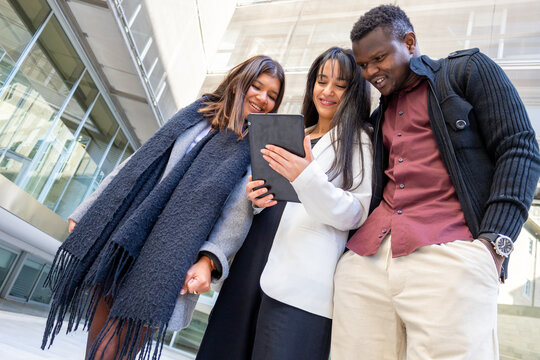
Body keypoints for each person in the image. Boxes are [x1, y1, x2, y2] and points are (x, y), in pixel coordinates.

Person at [41, 55, 285, 360]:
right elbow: (138, 162)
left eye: (272, 95)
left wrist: (209, 261)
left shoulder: (254, 147)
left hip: (171, 258)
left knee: (114, 348)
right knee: (98, 345)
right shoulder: (196, 113)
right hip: (127, 237)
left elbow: (238, 212)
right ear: (240, 82)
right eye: (257, 87)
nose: (262, 98)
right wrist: (89, 210)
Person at [331, 5, 540, 360]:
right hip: (365, 263)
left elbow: (519, 147)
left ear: (409, 43)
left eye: (379, 58)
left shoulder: (467, 70)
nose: (370, 72)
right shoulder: (379, 114)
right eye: (364, 64)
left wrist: (494, 246)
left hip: (450, 255)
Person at [196, 47, 373, 360]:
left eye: (340, 85)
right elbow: (274, 199)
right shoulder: (291, 133)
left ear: (353, 91)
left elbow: (355, 212)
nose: (328, 91)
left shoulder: (359, 140)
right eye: (321, 81)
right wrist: (257, 199)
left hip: (300, 286)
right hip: (252, 266)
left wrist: (307, 176)